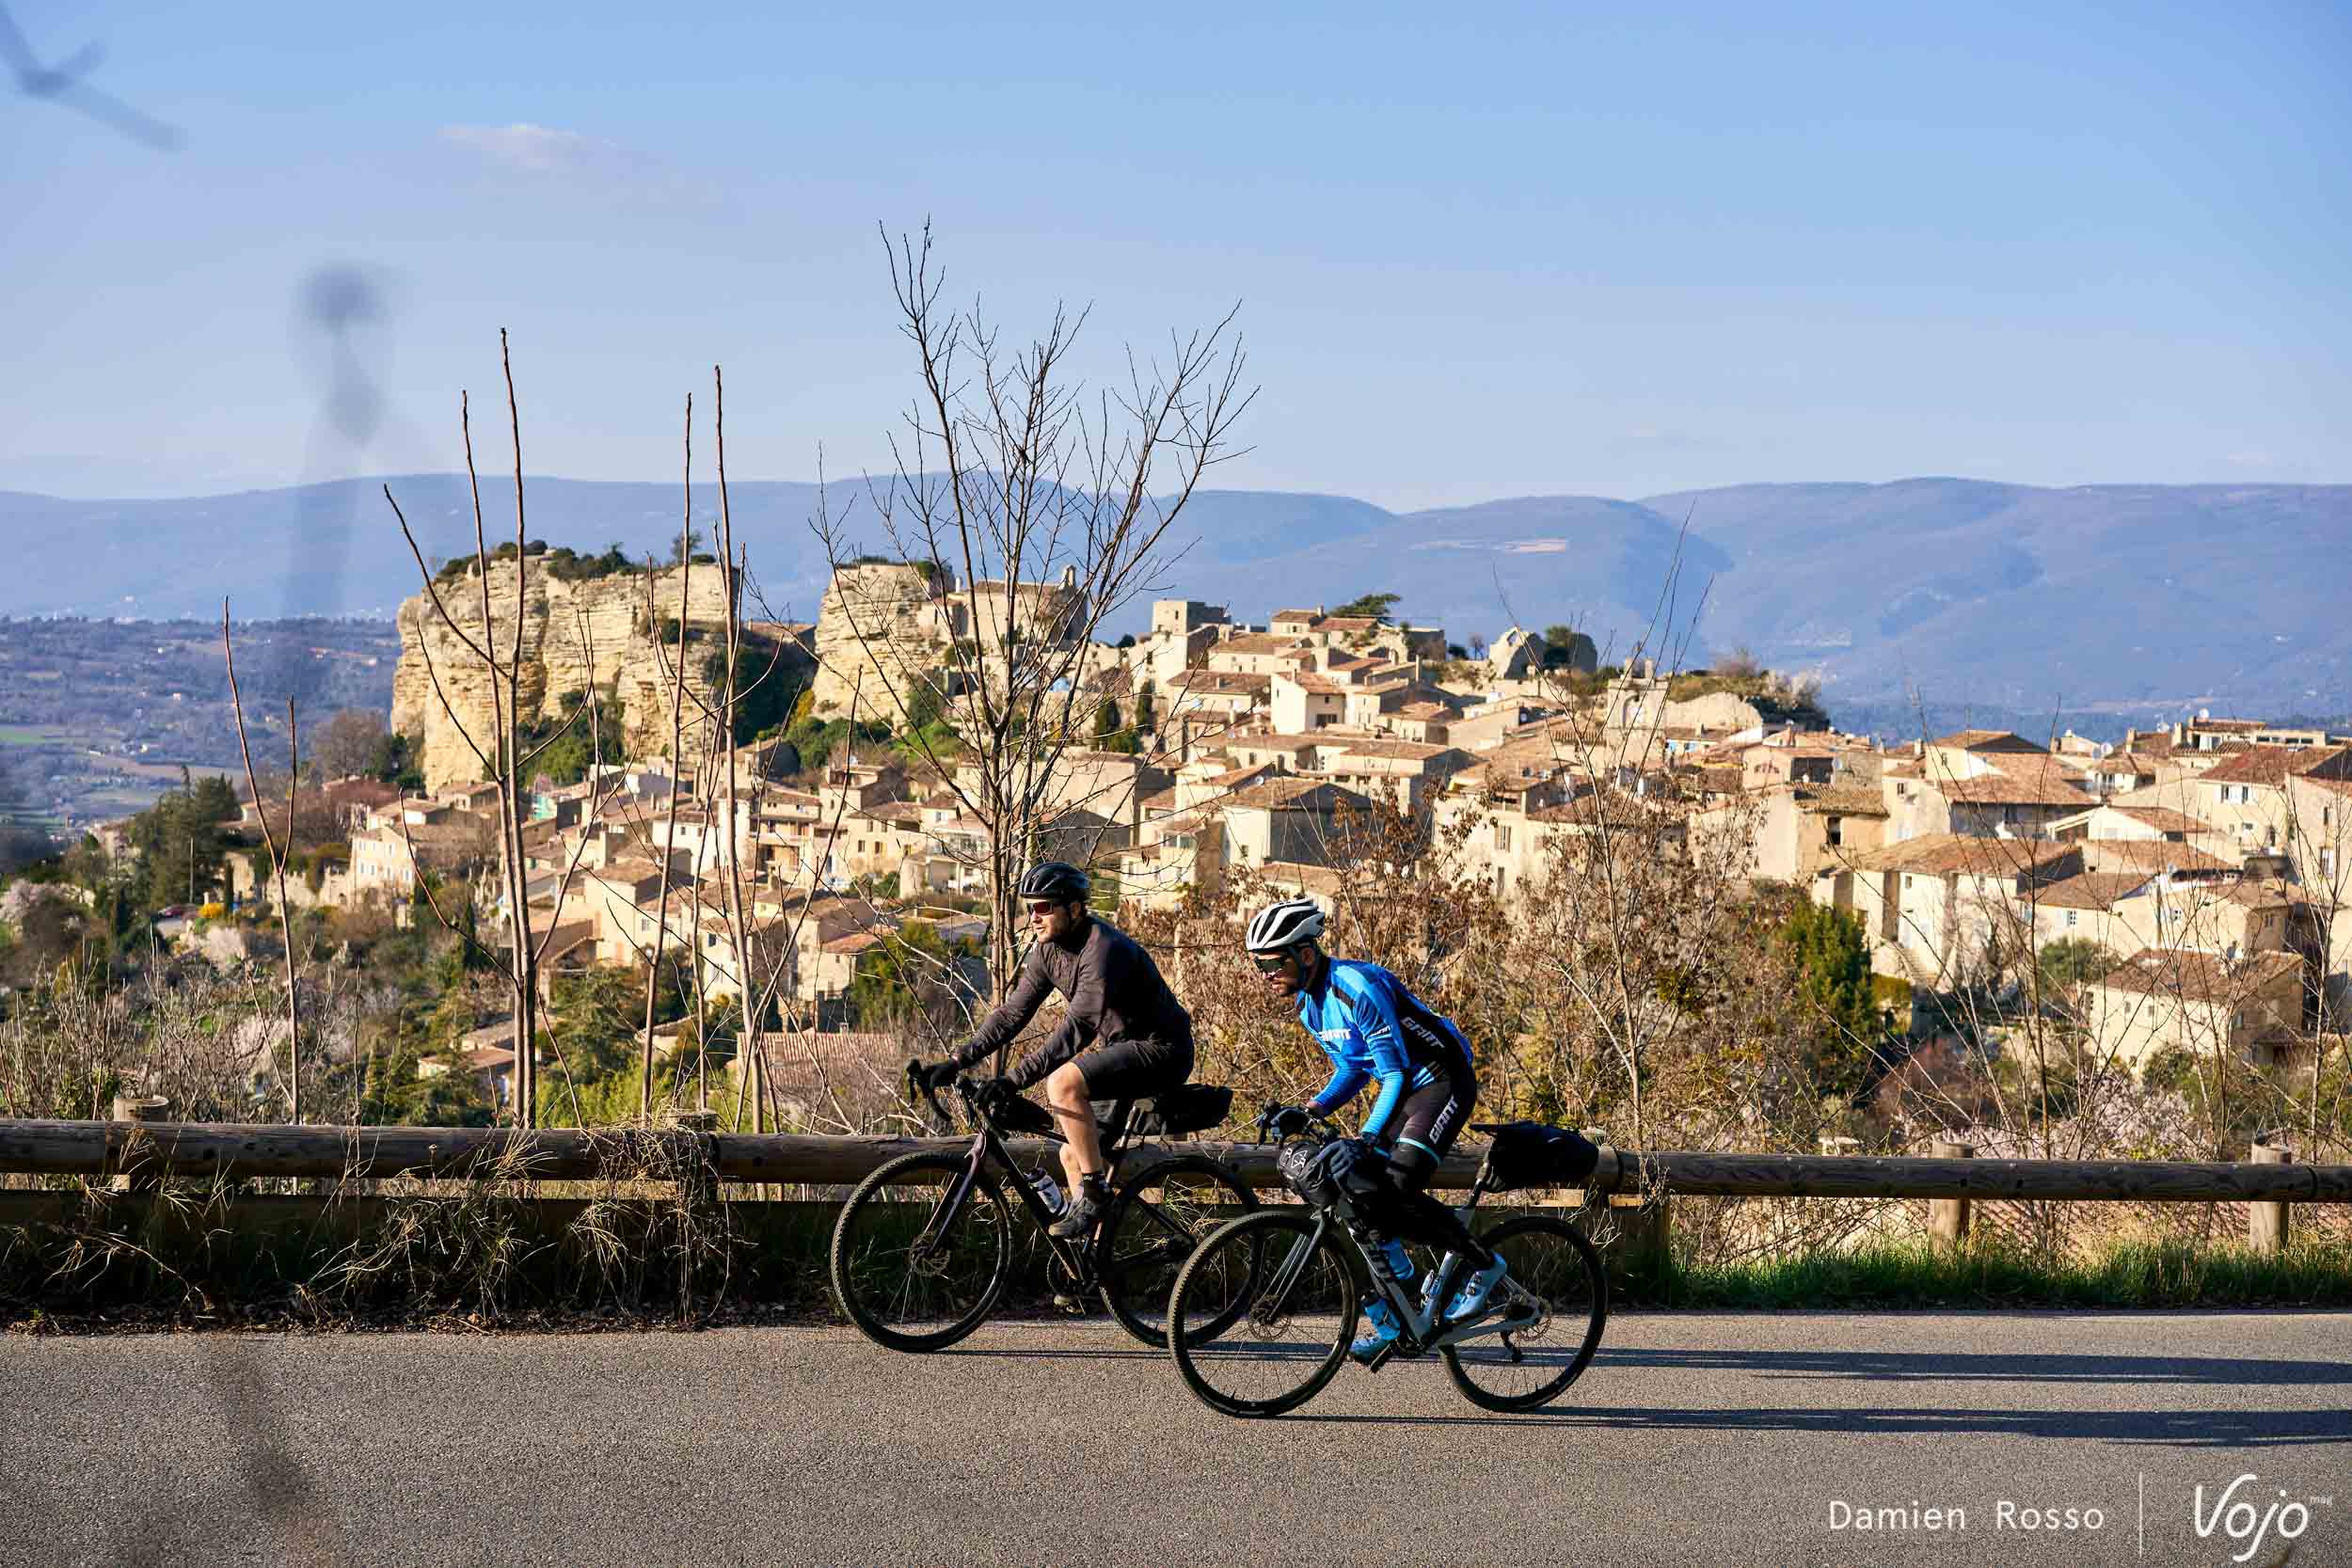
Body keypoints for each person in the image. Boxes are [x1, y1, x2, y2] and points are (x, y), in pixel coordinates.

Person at [1246, 895, 1503, 1361]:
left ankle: (1483, 1265)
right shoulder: (1311, 1008)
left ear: (1305, 954)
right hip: (1401, 1088)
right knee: (1361, 1191)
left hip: (1440, 1080)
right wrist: (1310, 1111)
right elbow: (1354, 1070)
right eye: (1258, 965)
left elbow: (1395, 1074)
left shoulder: (1355, 988)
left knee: (1399, 1185)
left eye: (1272, 962)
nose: (1265, 974)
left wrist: (1365, 1139)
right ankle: (1403, 1303)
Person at [916, 862, 1194, 1239]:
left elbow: (1075, 1031)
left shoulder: (1104, 951)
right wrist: (957, 1060)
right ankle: (1094, 1271)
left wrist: (1012, 1080)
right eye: (1030, 907)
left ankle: (1095, 1193)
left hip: (1162, 1050)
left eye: (1044, 907)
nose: (1033, 917)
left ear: (1075, 908)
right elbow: (1013, 1013)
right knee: (1072, 1154)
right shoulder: (1047, 951)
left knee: (1063, 1084)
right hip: (1124, 1050)